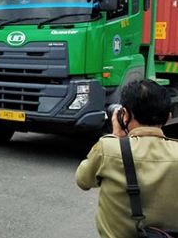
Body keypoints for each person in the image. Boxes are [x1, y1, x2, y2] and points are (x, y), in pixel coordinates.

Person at [76, 80, 178, 237]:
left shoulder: (108, 148)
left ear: (125, 115)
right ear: (168, 117)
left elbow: (83, 180)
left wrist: (116, 136)